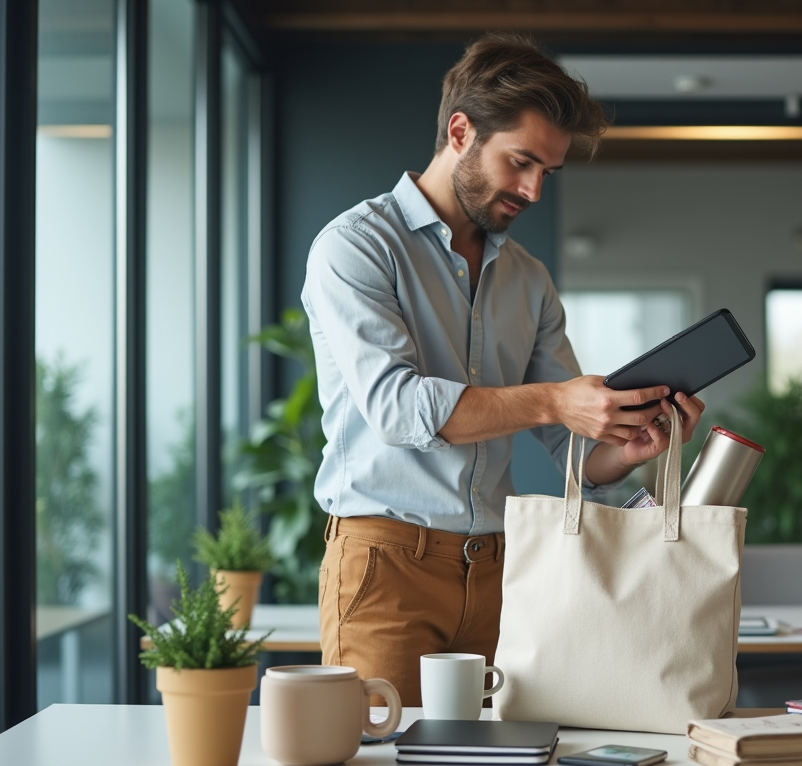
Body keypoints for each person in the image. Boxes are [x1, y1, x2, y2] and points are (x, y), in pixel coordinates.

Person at [301, 33, 705, 705]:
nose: (534, 189)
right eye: (521, 162)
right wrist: (555, 400)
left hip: (501, 570)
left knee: (506, 759)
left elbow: (574, 450)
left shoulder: (529, 279)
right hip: (386, 568)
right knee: (381, 758)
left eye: (549, 172)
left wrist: (631, 442)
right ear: (460, 132)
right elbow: (399, 410)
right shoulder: (357, 248)